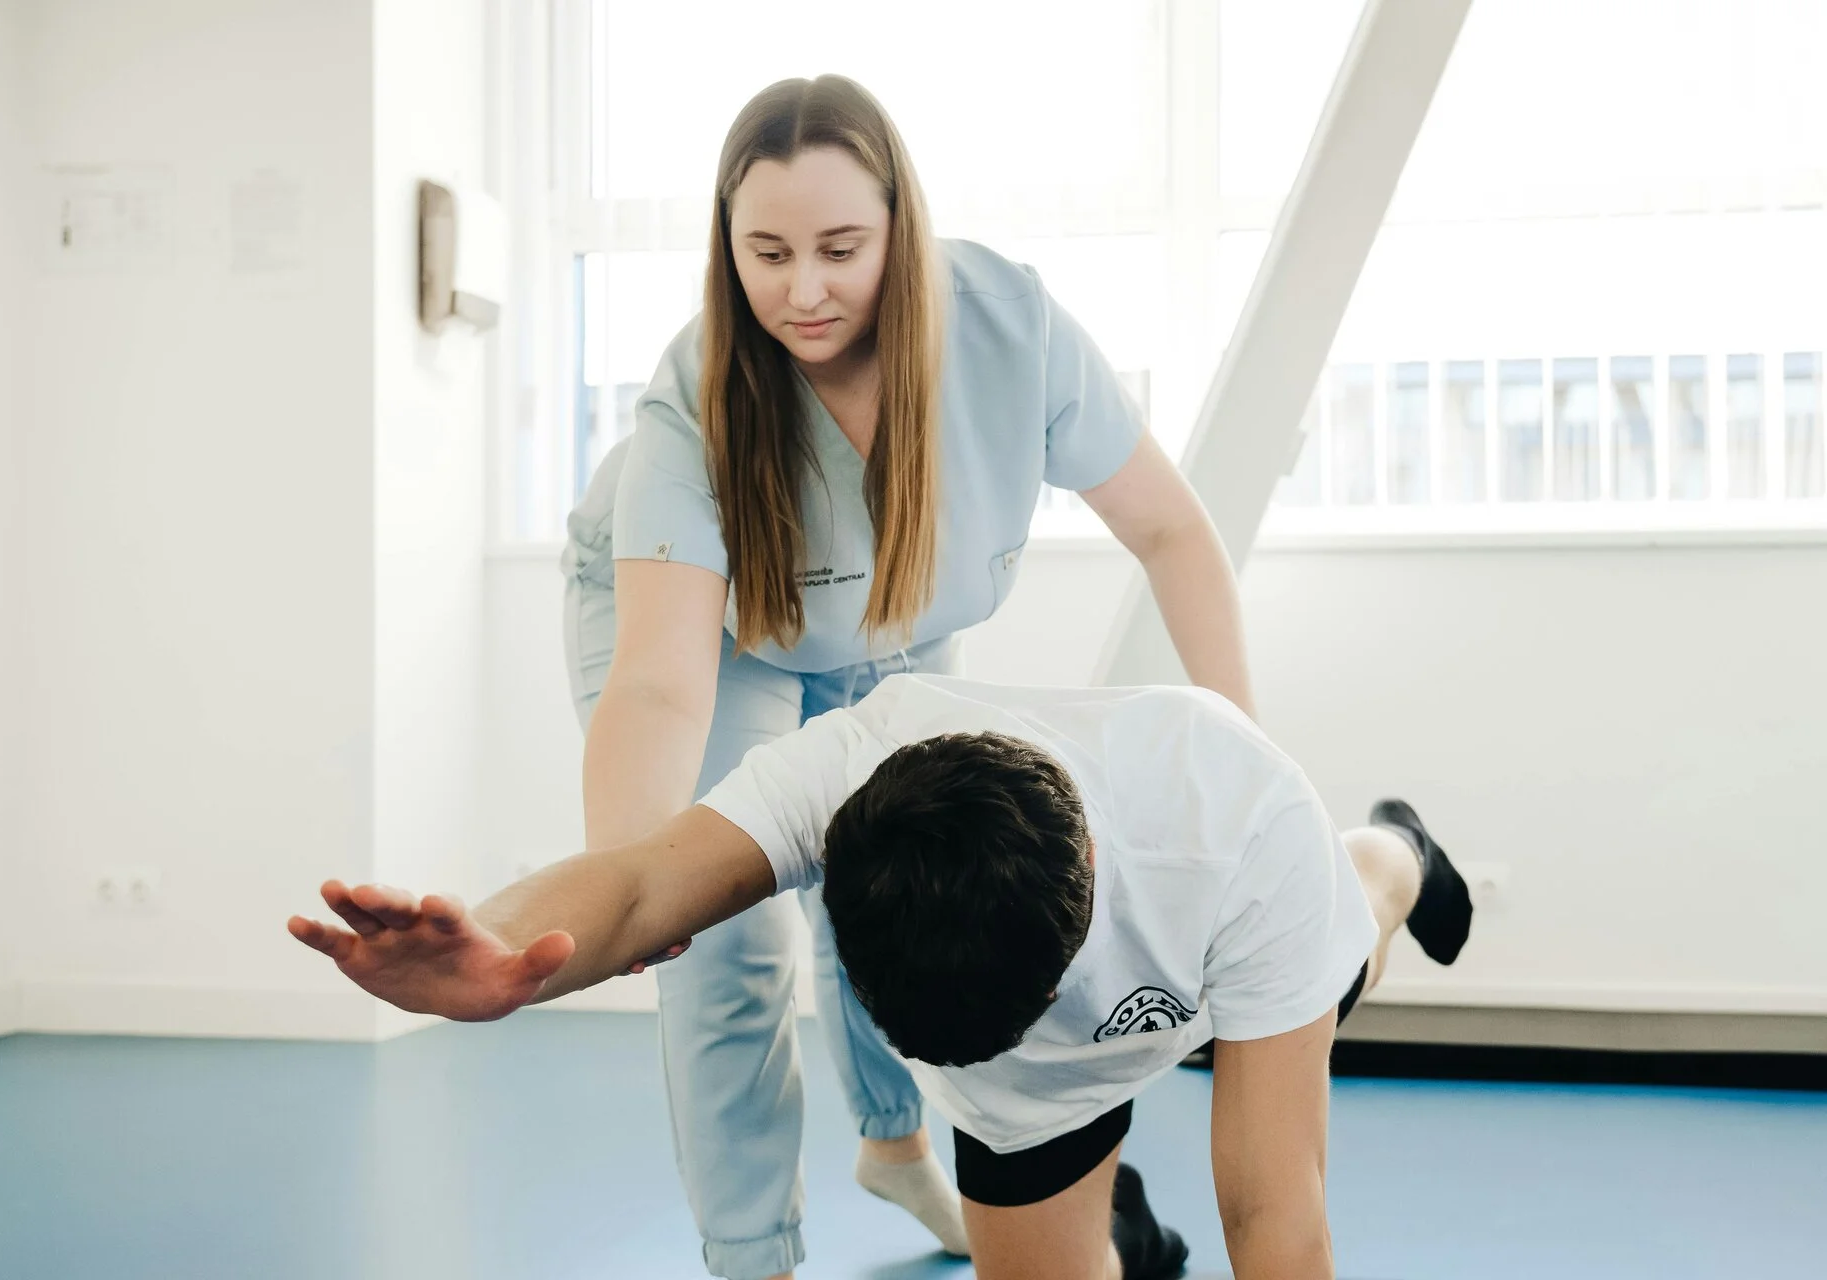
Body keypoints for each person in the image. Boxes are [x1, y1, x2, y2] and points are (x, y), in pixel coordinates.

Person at [563, 73, 1258, 1280]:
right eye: (766, 253)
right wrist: (635, 880)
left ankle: (895, 1149)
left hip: (886, 620)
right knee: (727, 941)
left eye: (841, 247)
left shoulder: (1008, 329)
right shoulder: (697, 396)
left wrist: (1246, 759)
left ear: (902, 226)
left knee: (906, 883)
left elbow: (1173, 534)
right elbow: (662, 684)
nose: (804, 290)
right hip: (710, 632)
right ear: (727, 249)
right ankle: (754, 1259)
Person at [287, 673, 1476, 1280]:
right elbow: (647, 881)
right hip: (1029, 1098)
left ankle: (1403, 849)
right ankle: (1119, 1223)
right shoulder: (849, 768)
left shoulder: (1236, 828)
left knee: (1355, 908)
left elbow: (1271, 1207)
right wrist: (504, 960)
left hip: (1239, 938)